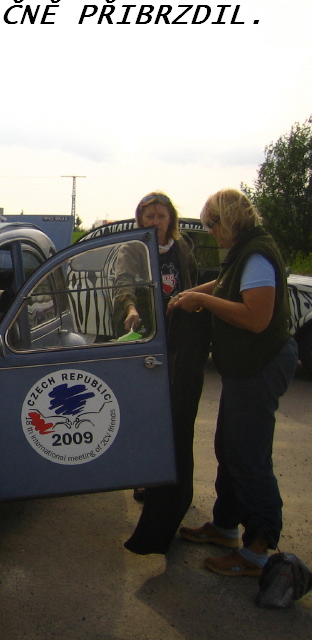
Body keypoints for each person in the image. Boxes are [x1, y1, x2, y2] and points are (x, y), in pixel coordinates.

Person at [176, 188, 298, 577]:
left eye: (212, 224)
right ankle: (226, 526)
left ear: (228, 219)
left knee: (249, 456)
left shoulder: (256, 254)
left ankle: (257, 551)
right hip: (244, 367)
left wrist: (203, 302)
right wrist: (192, 293)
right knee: (229, 447)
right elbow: (226, 283)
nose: (211, 232)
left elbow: (256, 319)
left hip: (260, 365)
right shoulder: (245, 250)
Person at [117, 191, 212, 556]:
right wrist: (130, 309)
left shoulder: (183, 246)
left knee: (174, 413)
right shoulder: (133, 248)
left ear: (170, 217)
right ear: (140, 219)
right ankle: (145, 478)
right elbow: (123, 284)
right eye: (149, 216)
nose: (155, 222)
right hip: (146, 336)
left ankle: (168, 480)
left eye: (160, 215)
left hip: (178, 340)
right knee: (145, 412)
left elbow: (192, 282)